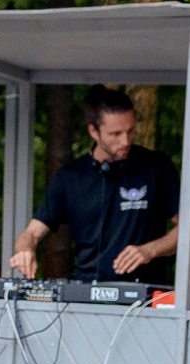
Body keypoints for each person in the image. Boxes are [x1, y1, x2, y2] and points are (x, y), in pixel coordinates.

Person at [10, 84, 180, 284]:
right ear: (93, 131)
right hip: (86, 291)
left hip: (147, 294)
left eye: (130, 131)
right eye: (115, 134)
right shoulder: (70, 177)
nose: (125, 141)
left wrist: (150, 250)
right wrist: (24, 250)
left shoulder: (157, 167)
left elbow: (188, 229)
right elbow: (31, 233)